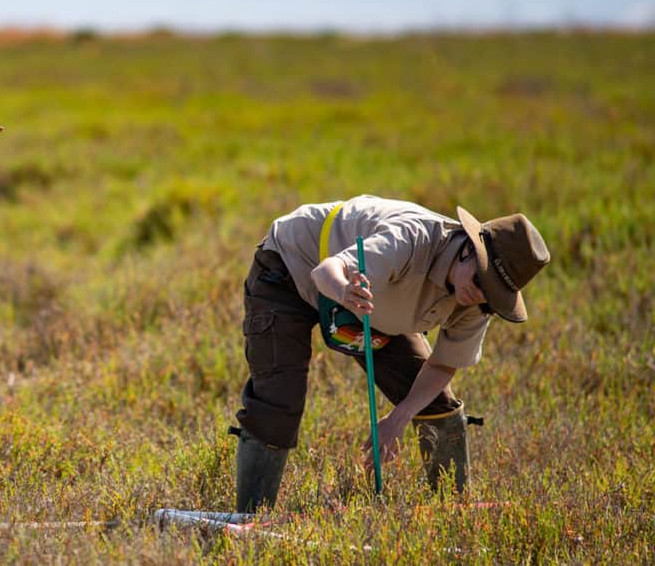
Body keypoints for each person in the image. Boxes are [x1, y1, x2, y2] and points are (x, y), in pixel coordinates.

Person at [231, 195, 550, 511]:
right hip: (293, 267)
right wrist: (346, 292)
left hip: (370, 300)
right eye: (481, 280)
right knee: (279, 399)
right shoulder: (410, 239)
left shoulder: (479, 304)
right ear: (469, 249)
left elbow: (443, 365)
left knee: (435, 403)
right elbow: (326, 271)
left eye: (492, 295)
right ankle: (249, 519)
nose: (477, 296)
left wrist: (398, 420)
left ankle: (452, 512)